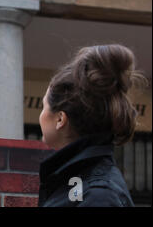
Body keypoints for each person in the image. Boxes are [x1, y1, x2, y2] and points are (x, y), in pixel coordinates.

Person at [38, 44, 146, 207]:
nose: (41, 115)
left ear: (60, 119)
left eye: (43, 106)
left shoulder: (97, 194)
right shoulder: (78, 183)